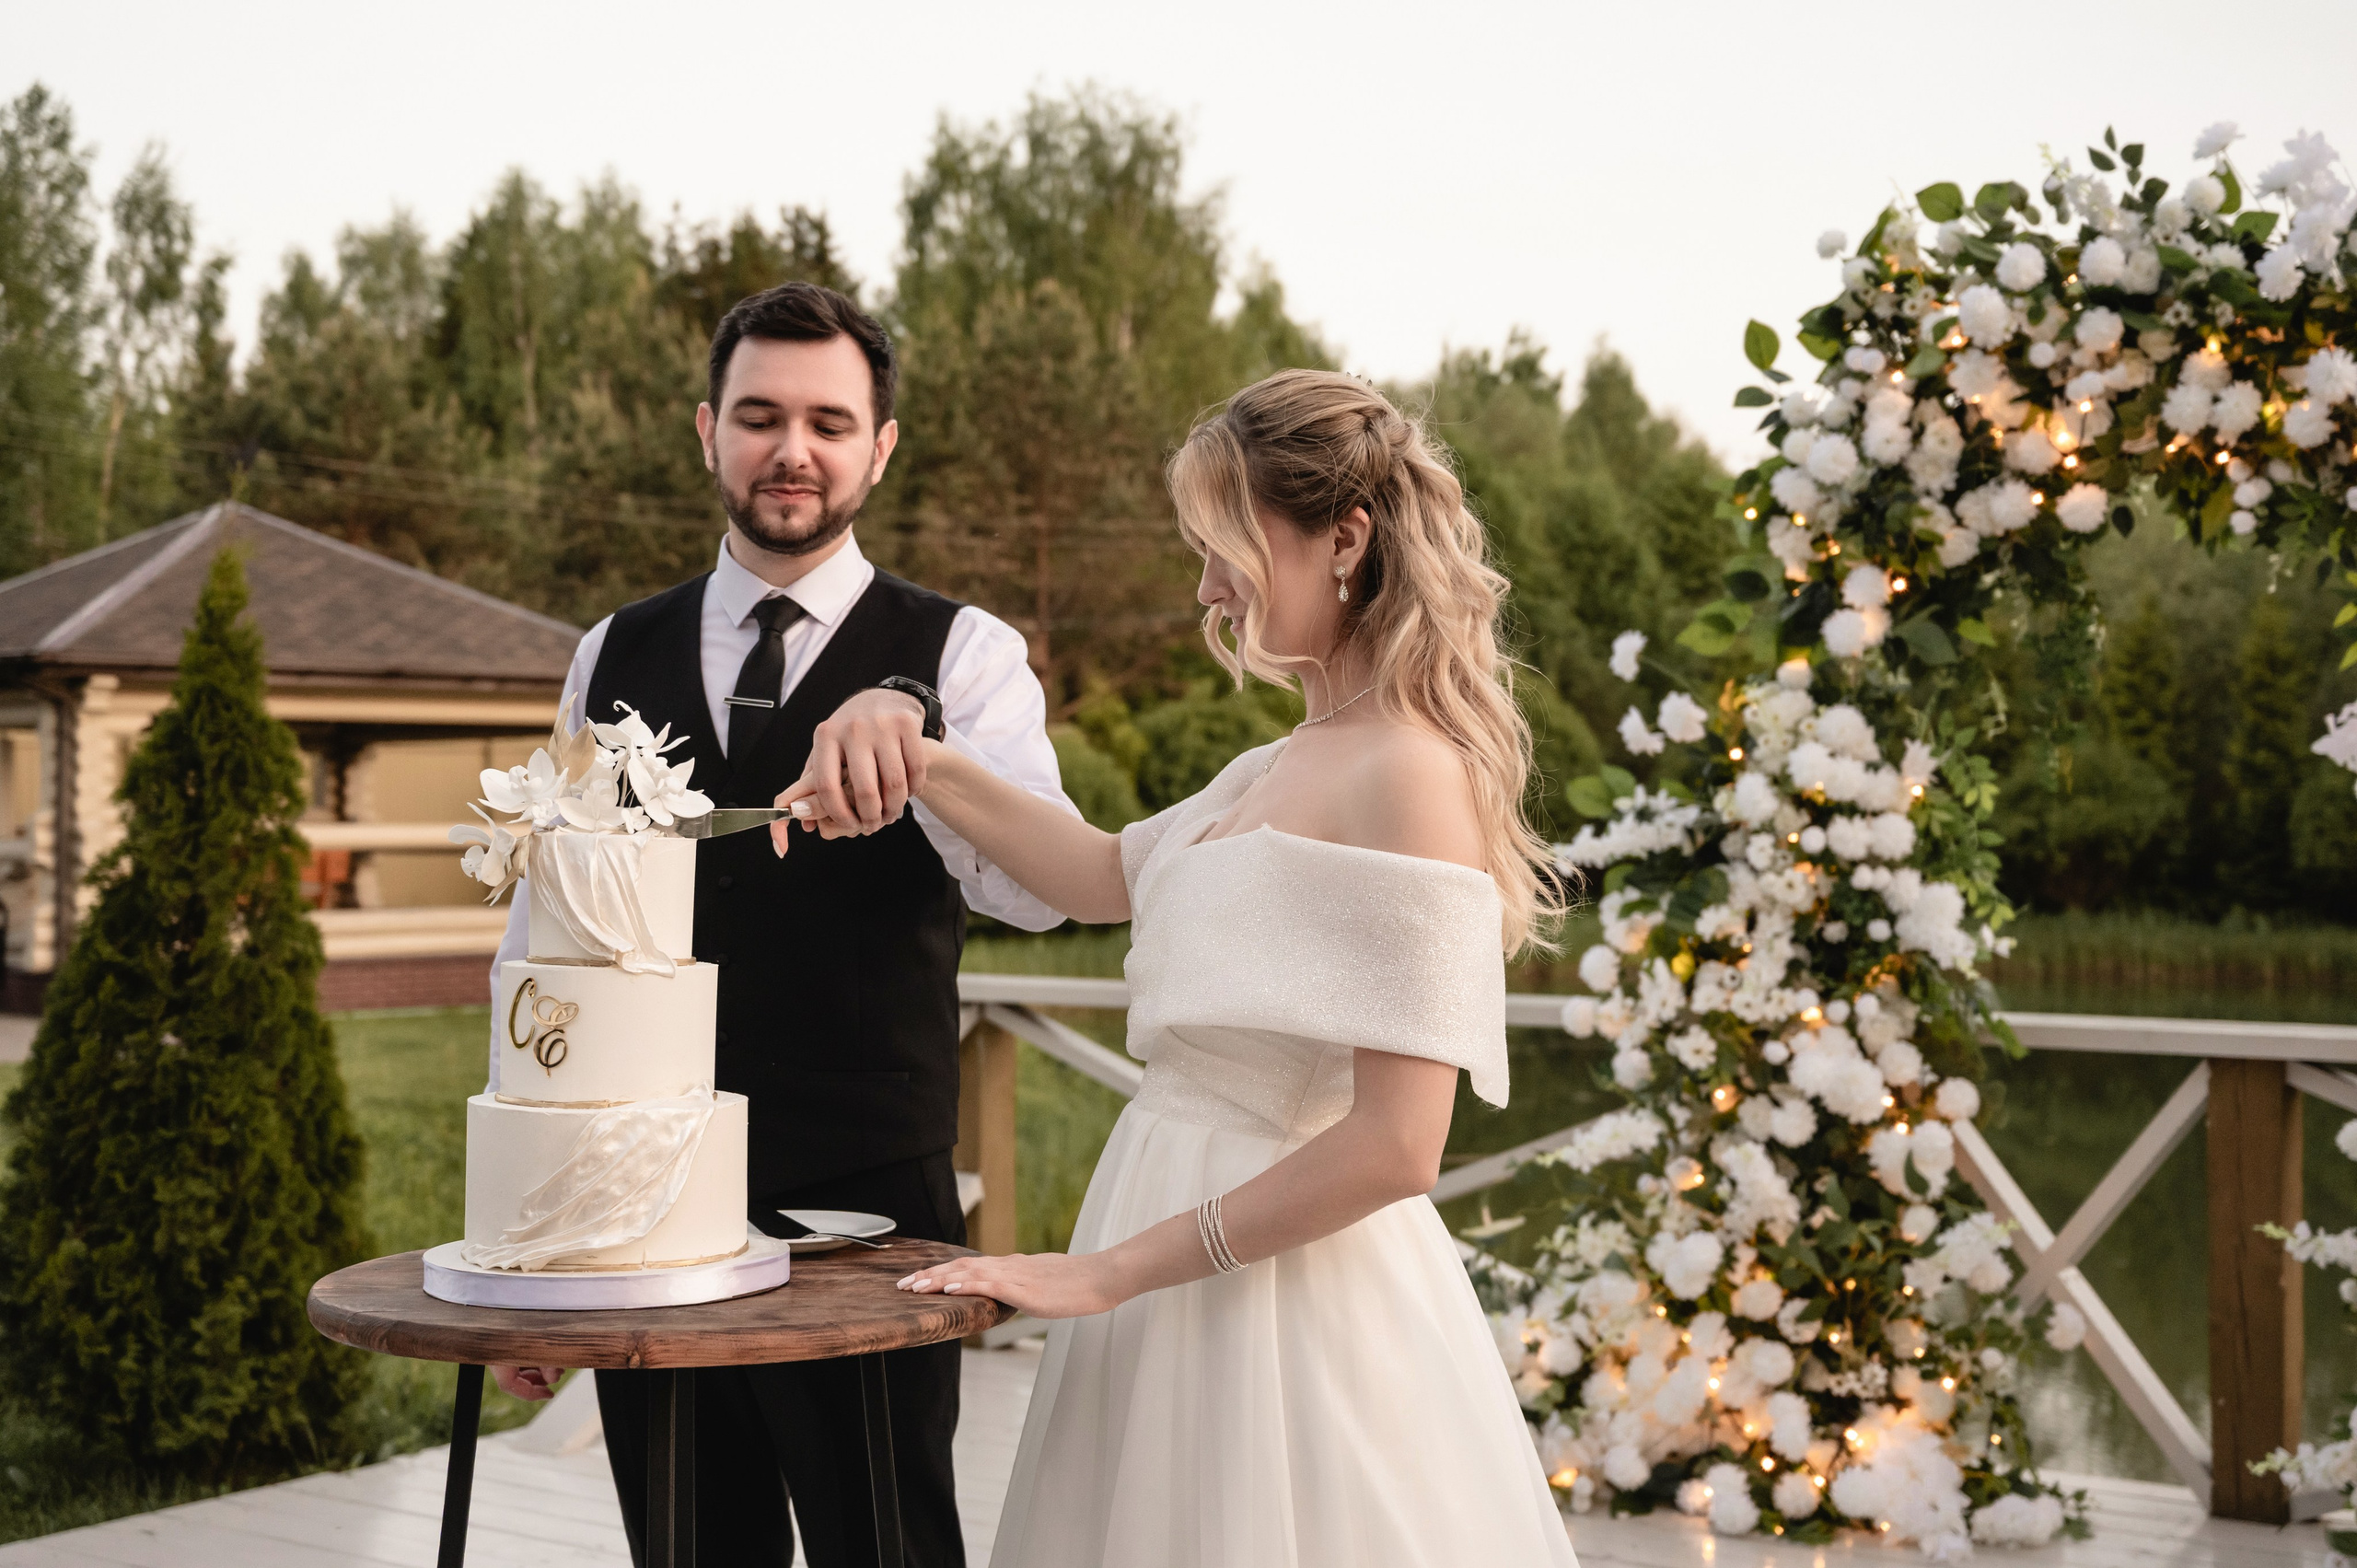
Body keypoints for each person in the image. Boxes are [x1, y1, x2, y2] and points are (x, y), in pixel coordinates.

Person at [782, 368, 1582, 1566]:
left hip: (1282, 1298)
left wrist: (1109, 1272)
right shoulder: (1275, 760)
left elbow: (1398, 1144)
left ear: (1345, 538)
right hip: (1154, 1243)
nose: (1205, 586)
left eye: (1224, 547)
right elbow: (1098, 873)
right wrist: (919, 752)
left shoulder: (1410, 773)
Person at [487, 281, 1076, 1568]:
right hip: (638, 1200)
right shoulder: (610, 651)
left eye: (828, 421)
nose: (792, 449)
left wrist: (927, 756)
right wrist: (534, 1242)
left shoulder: (965, 652)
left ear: (882, 446)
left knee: (888, 1544)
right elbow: (549, 941)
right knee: (688, 1547)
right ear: (709, 431)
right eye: (759, 416)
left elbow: (1039, 894)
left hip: (870, 1198)